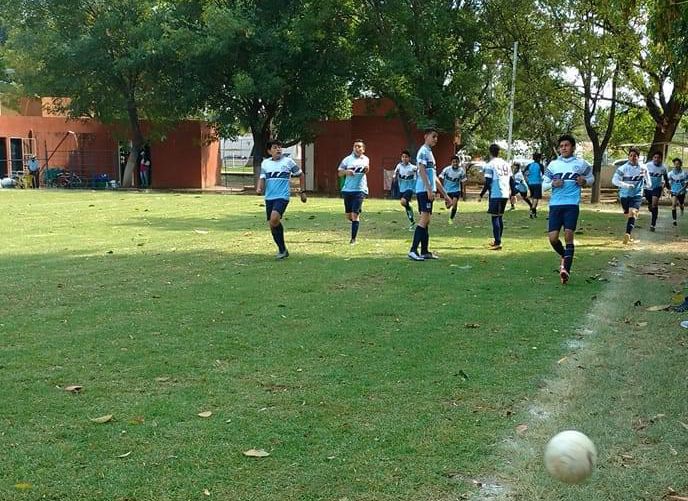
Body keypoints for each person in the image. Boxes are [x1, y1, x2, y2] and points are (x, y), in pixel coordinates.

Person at [542, 134, 594, 284]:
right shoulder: (553, 165)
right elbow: (543, 185)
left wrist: (584, 181)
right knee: (552, 239)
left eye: (566, 145)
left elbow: (591, 179)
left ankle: (566, 270)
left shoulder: (581, 164)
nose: (563, 148)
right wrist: (553, 184)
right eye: (561, 146)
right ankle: (566, 256)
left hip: (572, 204)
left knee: (569, 235)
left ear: (573, 147)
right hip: (555, 205)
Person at [256, 140, 307, 259]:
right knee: (272, 224)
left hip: (282, 196)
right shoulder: (265, 163)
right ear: (269, 151)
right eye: (275, 147)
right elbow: (262, 177)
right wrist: (259, 187)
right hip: (269, 197)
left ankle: (282, 250)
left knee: (274, 219)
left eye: (280, 147)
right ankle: (282, 249)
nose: (278, 149)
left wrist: (303, 191)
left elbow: (301, 174)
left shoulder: (288, 162)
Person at [408, 128, 452, 261]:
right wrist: (428, 189)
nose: (435, 139)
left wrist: (445, 195)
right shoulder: (423, 151)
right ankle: (413, 250)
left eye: (437, 137)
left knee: (427, 220)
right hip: (423, 190)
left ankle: (425, 251)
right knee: (424, 219)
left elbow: (434, 177)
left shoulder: (430, 153)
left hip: (428, 190)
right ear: (426, 136)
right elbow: (421, 170)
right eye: (433, 136)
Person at [612, 147, 650, 245]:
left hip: (637, 194)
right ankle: (630, 225)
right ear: (628, 157)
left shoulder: (643, 168)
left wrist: (646, 186)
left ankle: (627, 234)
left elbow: (648, 181)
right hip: (624, 195)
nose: (633, 157)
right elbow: (615, 181)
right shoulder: (623, 168)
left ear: (638, 157)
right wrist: (626, 185)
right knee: (628, 214)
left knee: (632, 213)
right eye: (631, 156)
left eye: (635, 156)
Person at [479, 144, 513, 250]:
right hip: (505, 193)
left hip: (496, 193)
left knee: (495, 217)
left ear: (490, 152)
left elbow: (488, 182)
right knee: (500, 216)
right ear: (499, 152)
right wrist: (513, 193)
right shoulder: (506, 164)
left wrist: (481, 194)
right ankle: (498, 240)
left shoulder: (490, 165)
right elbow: (512, 180)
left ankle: (498, 242)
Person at [338, 139, 369, 245]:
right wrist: (347, 172)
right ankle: (356, 222)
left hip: (360, 190)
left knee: (354, 214)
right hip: (347, 190)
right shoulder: (347, 160)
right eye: (355, 146)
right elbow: (339, 173)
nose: (357, 148)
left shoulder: (366, 159)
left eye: (359, 146)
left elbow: (366, 170)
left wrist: (366, 169)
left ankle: (353, 239)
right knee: (349, 216)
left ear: (363, 149)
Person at [644, 151, 670, 231]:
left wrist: (669, 188)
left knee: (655, 204)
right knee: (651, 204)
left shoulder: (664, 168)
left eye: (658, 158)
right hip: (647, 188)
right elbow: (642, 176)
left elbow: (666, 179)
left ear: (661, 159)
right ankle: (650, 204)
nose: (656, 159)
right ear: (653, 158)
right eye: (655, 157)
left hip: (657, 188)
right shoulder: (647, 165)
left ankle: (653, 224)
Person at [393, 150, 418, 230]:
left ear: (409, 158)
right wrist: (394, 178)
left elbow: (419, 171)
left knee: (403, 201)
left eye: (406, 157)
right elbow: (395, 174)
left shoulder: (413, 167)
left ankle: (411, 216)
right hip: (402, 188)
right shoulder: (399, 166)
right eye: (403, 157)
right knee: (404, 204)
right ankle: (412, 221)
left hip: (410, 188)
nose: (404, 158)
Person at [439, 155, 467, 225]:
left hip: (456, 190)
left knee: (454, 205)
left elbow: (464, 181)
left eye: (456, 162)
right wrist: (441, 188)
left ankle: (451, 219)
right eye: (453, 162)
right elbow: (440, 177)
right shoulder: (446, 170)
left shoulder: (461, 171)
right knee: (448, 206)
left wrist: (463, 191)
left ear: (459, 162)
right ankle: (450, 204)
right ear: (451, 163)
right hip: (447, 190)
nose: (455, 163)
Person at [523, 152, 544, 218]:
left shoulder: (529, 165)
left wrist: (527, 180)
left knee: (533, 197)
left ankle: (534, 213)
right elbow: (544, 174)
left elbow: (524, 173)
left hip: (530, 183)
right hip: (537, 183)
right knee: (536, 198)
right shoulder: (540, 165)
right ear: (539, 158)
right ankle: (532, 211)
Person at [669, 158, 688, 226]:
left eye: (678, 164)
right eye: (675, 164)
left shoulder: (685, 173)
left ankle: (682, 209)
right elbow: (667, 182)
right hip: (674, 191)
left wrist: (680, 190)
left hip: (681, 192)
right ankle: (674, 220)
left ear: (680, 165)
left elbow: (686, 184)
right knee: (673, 204)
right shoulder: (670, 173)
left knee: (681, 204)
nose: (676, 165)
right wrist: (669, 189)